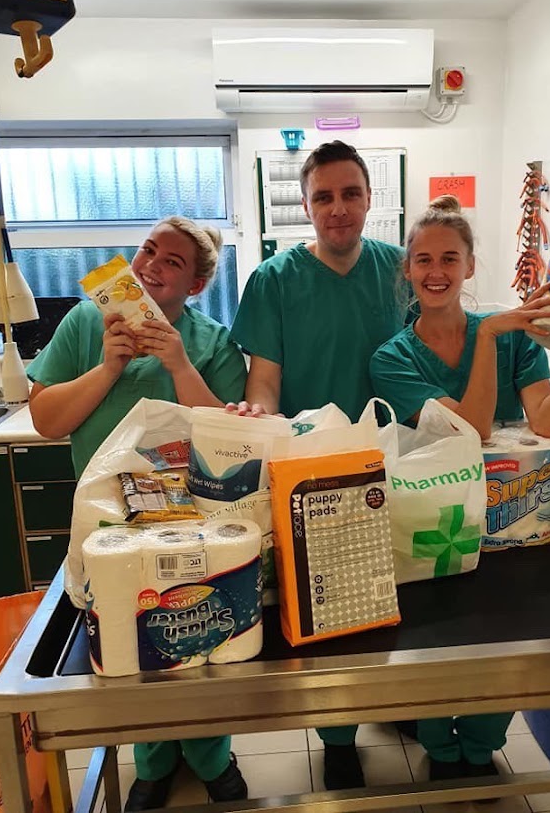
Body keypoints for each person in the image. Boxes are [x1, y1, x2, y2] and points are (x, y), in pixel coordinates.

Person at [370, 195, 550, 781]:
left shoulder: (514, 336)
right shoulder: (392, 358)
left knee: (504, 642)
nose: (437, 272)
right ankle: (439, 750)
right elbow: (472, 429)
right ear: (407, 270)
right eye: (424, 260)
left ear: (468, 265)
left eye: (450, 259)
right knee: (436, 644)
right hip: (436, 524)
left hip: (515, 519)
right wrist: (486, 338)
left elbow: (546, 422)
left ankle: (480, 747)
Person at [27, 216, 249, 812]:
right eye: (148, 250)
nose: (151, 264)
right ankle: (151, 757)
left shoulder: (211, 344)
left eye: (172, 261)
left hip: (191, 522)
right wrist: (107, 367)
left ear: (195, 286)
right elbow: (48, 419)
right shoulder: (85, 322)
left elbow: (226, 440)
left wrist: (179, 365)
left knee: (194, 634)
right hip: (108, 528)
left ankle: (210, 755)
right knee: (125, 642)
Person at [230, 140, 407, 788]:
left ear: (369, 199)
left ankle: (395, 708)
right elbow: (265, 384)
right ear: (305, 206)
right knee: (328, 608)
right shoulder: (275, 281)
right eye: (324, 197)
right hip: (313, 478)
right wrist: (261, 435)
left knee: (395, 592)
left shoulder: (397, 269)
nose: (338, 208)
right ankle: (337, 734)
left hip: (395, 470)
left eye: (350, 194)